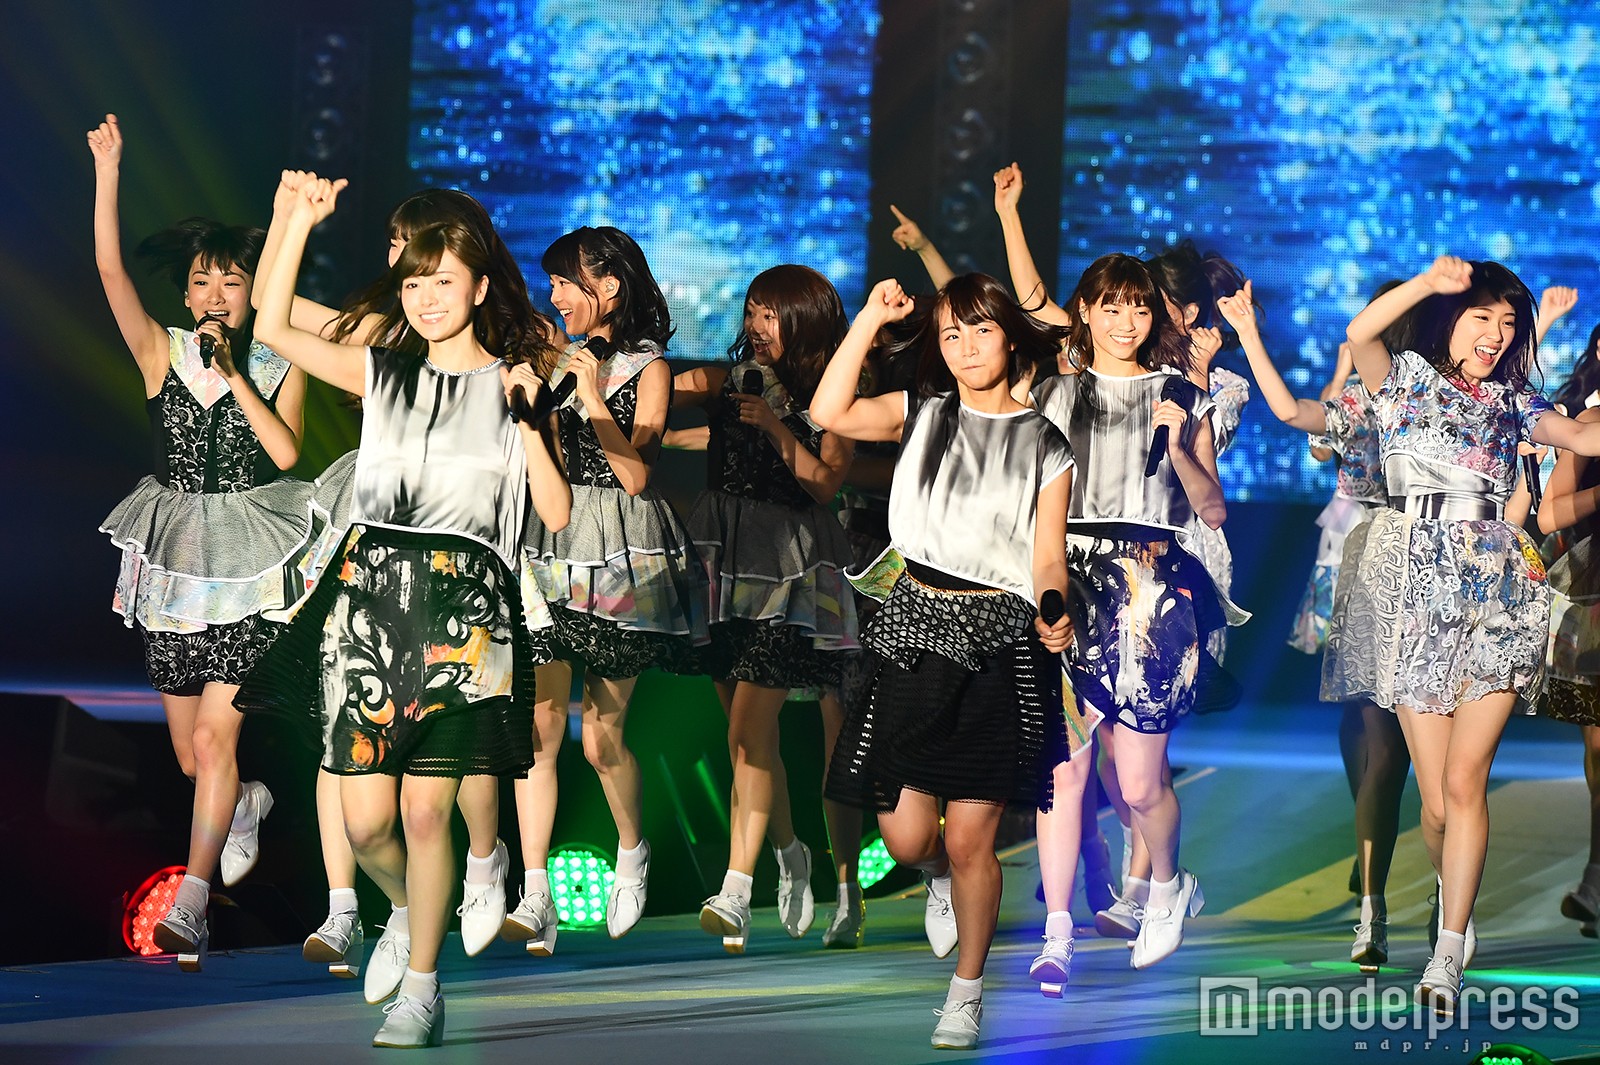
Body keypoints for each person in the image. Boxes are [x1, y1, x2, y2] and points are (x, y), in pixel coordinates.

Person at [238, 173, 571, 1049]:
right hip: (372, 601)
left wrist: (529, 421)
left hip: (468, 612)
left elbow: (556, 509)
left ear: (481, 287)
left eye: (443, 281)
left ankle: (423, 985)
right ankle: (401, 909)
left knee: (428, 813)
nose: (425, 298)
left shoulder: (516, 384)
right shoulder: (383, 369)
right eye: (413, 282)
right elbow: (269, 328)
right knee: (368, 823)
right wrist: (293, 220)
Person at [1325, 255, 1600, 1016]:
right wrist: (1425, 284)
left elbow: (1582, 437)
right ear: (1451, 317)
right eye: (1484, 316)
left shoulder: (1514, 401)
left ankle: (1446, 951)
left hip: (1497, 599)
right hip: (1416, 602)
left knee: (1465, 781)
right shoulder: (1405, 380)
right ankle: (1456, 896)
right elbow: (1360, 332)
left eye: (1509, 323)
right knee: (1440, 805)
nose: (1497, 333)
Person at [813, 273, 1073, 1050]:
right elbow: (828, 412)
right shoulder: (920, 412)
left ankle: (966, 991)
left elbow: (1048, 555)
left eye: (980, 330)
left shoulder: (1045, 442)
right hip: (913, 626)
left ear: (1011, 337)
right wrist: (868, 319)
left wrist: (1053, 607)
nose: (965, 347)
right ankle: (936, 882)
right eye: (950, 334)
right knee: (904, 839)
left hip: (998, 640)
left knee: (970, 838)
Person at [88, 114, 309, 971]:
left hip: (249, 566)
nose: (216, 294)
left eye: (232, 280)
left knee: (215, 739)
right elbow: (111, 271)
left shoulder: (279, 361)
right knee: (192, 755)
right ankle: (244, 799)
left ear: (252, 293)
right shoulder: (161, 352)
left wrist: (240, 373)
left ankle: (192, 903)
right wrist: (109, 168)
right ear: (185, 296)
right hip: (176, 567)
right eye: (202, 282)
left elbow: (285, 454)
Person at [505, 226, 705, 953]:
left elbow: (637, 474)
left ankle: (631, 850)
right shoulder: (556, 358)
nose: (555, 294)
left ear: (610, 287)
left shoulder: (650, 367)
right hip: (553, 540)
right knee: (538, 728)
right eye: (553, 282)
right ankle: (534, 890)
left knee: (601, 738)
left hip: (623, 549)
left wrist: (591, 396)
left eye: (567, 281)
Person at [1032, 252, 1230, 974]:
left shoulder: (1180, 393)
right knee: (1064, 773)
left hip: (1152, 590)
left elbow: (1212, 508)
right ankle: (1057, 933)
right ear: (1084, 311)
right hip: (1068, 582)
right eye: (1110, 306)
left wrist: (1177, 441)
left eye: (1139, 307)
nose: (1126, 321)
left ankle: (1168, 885)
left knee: (1142, 784)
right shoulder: (1051, 395)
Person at [1218, 282, 1411, 972]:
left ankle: (1386, 862)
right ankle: (1372, 862)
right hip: (1354, 555)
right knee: (1366, 720)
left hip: (1422, 569)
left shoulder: (1435, 398)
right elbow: (1317, 446)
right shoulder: (1356, 390)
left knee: (1395, 743)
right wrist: (1332, 366)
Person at [675, 265, 860, 952]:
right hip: (723, 564)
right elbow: (660, 384)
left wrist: (778, 427)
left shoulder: (832, 392)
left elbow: (825, 483)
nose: (756, 326)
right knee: (745, 738)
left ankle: (735, 889)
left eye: (771, 315)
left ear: (804, 320)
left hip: (791, 572)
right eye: (752, 312)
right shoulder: (730, 381)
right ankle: (789, 850)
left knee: (750, 730)